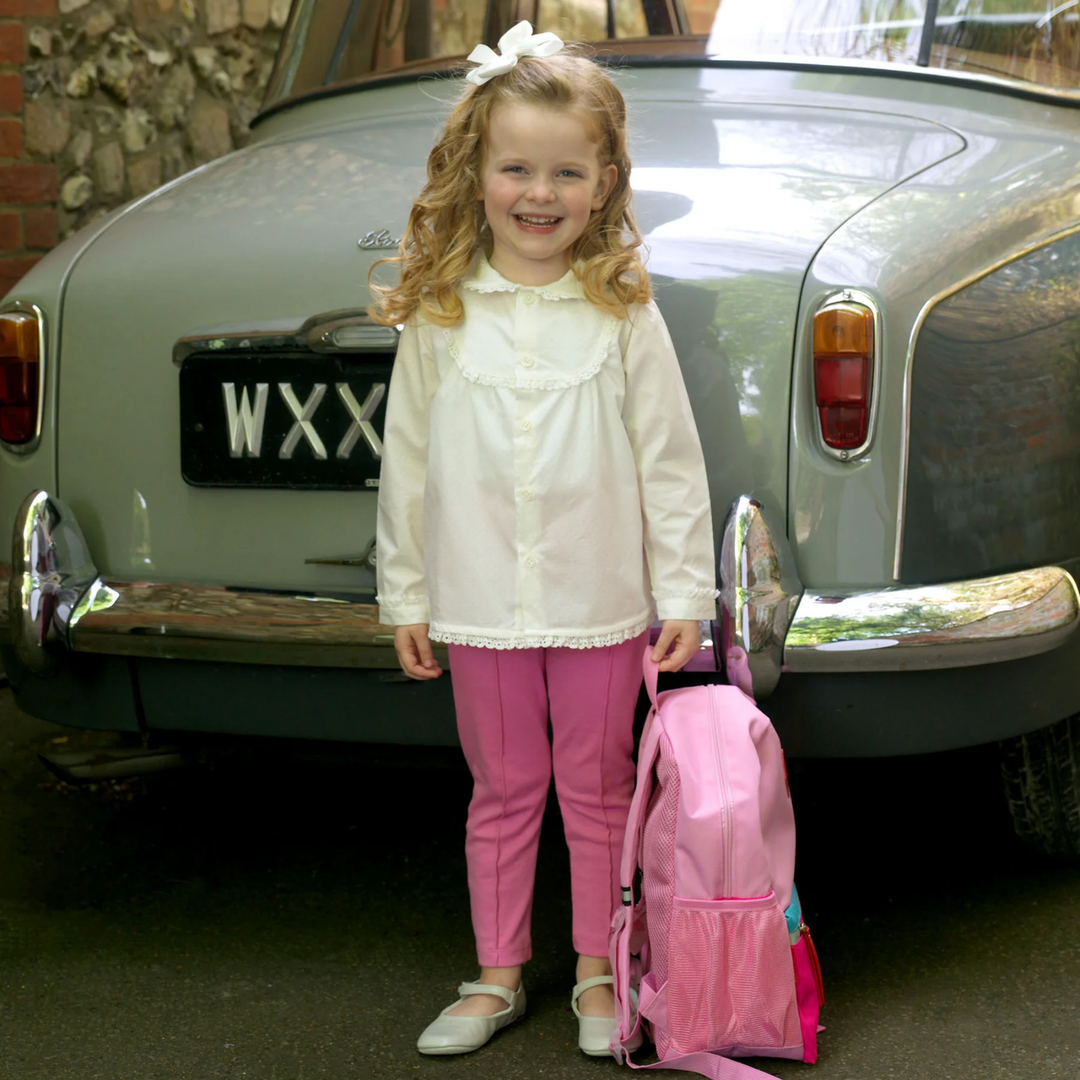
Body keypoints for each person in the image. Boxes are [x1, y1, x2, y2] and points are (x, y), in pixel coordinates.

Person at [369, 21, 717, 1059]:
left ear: (605, 180)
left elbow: (670, 461)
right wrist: (407, 598)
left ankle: (602, 971)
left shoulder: (621, 309)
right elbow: (409, 467)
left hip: (599, 598)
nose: (539, 193)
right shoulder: (441, 310)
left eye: (566, 171)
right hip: (479, 601)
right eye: (516, 167)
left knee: (597, 784)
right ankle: (496, 974)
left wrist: (684, 594)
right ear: (476, 171)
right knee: (504, 786)